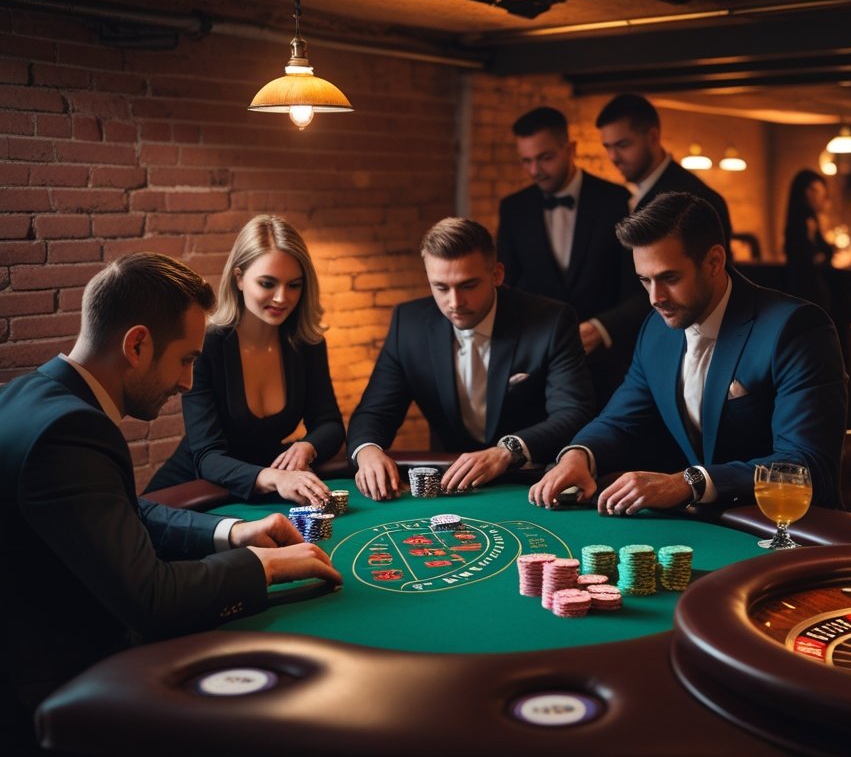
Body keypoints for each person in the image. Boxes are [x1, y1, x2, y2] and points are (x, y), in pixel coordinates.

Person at [1, 253, 341, 749]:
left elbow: (122, 512)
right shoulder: (71, 432)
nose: (186, 381)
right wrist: (262, 566)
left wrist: (231, 531)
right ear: (137, 344)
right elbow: (152, 600)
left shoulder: (29, 394)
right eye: (184, 359)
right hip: (53, 691)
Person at [528, 192, 847, 516]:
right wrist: (579, 454)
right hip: (704, 526)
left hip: (786, 529)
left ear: (714, 262)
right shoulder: (656, 329)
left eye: (670, 278)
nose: (655, 297)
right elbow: (619, 421)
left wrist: (689, 482)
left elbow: (807, 467)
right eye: (645, 280)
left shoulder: (795, 329)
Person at [347, 217, 595, 500]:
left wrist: (507, 451)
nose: (454, 302)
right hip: (451, 486)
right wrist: (368, 451)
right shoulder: (409, 324)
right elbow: (375, 412)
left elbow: (573, 411)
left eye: (468, 285)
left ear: (497, 275)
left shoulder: (552, 321)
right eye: (440, 287)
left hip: (531, 483)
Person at [146, 215, 344, 507]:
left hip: (266, 489)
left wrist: (307, 447)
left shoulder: (306, 342)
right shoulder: (207, 344)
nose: (281, 297)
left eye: (294, 285)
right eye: (267, 283)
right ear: (239, 278)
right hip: (192, 490)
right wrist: (275, 478)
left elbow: (329, 423)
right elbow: (208, 456)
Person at [497, 106, 634, 408]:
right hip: (539, 371)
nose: (535, 171)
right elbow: (506, 287)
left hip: (608, 368)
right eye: (526, 161)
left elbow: (634, 288)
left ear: (570, 148)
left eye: (545, 158)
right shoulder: (513, 208)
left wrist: (601, 328)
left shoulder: (616, 200)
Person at [588, 93, 736, 362]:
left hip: (682, 349)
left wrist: (605, 326)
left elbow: (713, 284)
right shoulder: (621, 197)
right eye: (607, 147)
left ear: (653, 136)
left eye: (622, 145)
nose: (613, 157)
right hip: (632, 351)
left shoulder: (698, 198)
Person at [783, 169, 835, 308]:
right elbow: (810, 259)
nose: (821, 196)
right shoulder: (802, 223)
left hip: (806, 293)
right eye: (815, 190)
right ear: (803, 193)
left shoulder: (810, 221)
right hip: (807, 293)